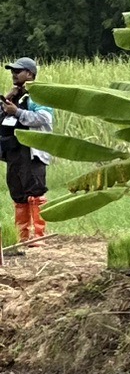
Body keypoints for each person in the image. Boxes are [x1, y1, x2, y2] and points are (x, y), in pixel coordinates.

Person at [1, 56, 52, 248]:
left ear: (30, 74)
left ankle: (39, 237)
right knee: (18, 194)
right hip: (14, 152)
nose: (13, 74)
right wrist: (7, 99)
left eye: (18, 71)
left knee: (35, 191)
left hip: (32, 151)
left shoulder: (39, 95)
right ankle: (21, 237)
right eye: (12, 71)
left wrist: (18, 112)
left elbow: (45, 118)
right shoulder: (14, 96)